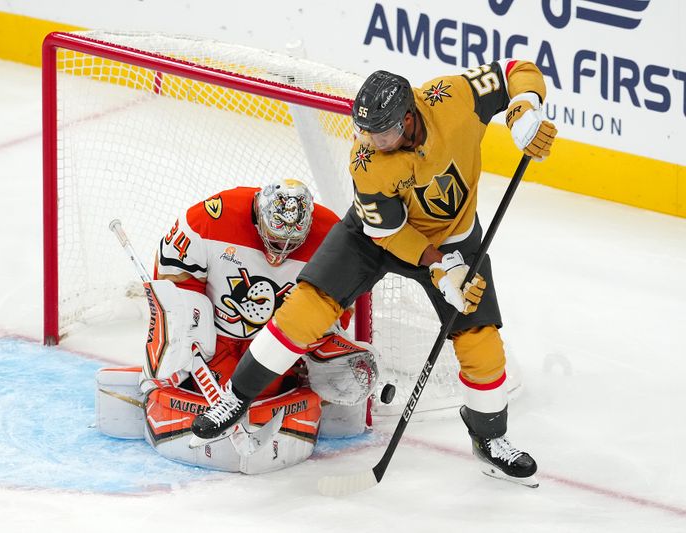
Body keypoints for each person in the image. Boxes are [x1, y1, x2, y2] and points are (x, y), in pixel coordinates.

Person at [191, 59, 557, 486]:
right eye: (365, 131)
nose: (370, 141)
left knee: (481, 341)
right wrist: (440, 267)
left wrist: (524, 108)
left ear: (408, 118)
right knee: (306, 308)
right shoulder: (366, 160)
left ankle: (490, 440)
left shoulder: (451, 99)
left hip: (455, 238)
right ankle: (235, 397)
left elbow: (515, 69)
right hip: (376, 237)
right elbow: (389, 233)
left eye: (381, 133)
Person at [96, 179, 379, 474]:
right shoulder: (211, 217)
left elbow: (337, 305)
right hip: (219, 339)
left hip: (280, 341)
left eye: (292, 243)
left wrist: (308, 353)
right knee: (180, 333)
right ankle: (163, 378)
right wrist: (187, 328)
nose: (281, 251)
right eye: (274, 238)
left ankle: (305, 381)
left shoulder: (332, 234)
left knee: (327, 362)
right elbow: (173, 276)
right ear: (258, 215)